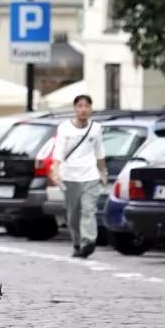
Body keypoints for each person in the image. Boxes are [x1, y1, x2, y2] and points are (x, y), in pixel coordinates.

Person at [49, 93, 107, 258]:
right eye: (80, 106)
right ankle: (77, 242)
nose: (83, 109)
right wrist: (56, 171)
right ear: (75, 108)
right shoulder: (64, 127)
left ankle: (88, 242)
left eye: (87, 106)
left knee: (88, 210)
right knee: (73, 214)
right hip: (70, 176)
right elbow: (58, 151)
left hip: (90, 176)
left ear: (91, 109)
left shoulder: (96, 128)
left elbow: (100, 152)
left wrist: (103, 172)